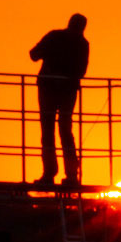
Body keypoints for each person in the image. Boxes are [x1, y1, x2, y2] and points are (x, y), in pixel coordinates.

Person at [28, 14, 89, 185]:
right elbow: (82, 71)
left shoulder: (54, 36)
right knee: (64, 131)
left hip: (49, 88)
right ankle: (70, 175)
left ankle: (50, 174)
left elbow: (34, 54)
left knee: (49, 131)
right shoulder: (82, 44)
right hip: (66, 91)